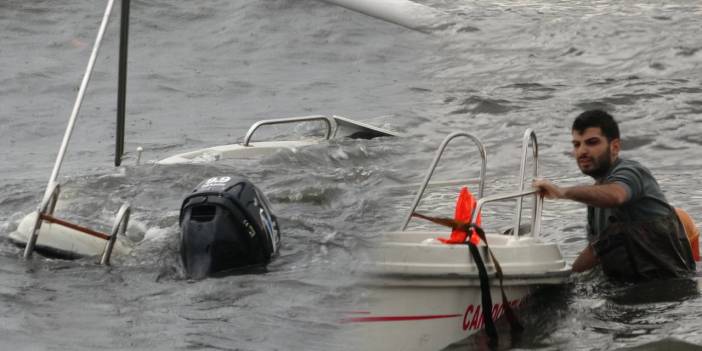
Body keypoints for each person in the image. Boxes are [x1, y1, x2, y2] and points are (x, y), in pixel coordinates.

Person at [533, 110, 696, 281]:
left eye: (592, 142)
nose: (582, 151)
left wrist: (561, 191)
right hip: (627, 290)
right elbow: (596, 251)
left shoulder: (632, 172)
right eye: (576, 144)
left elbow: (616, 195)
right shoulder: (595, 197)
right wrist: (566, 279)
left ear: (615, 147)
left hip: (667, 290)